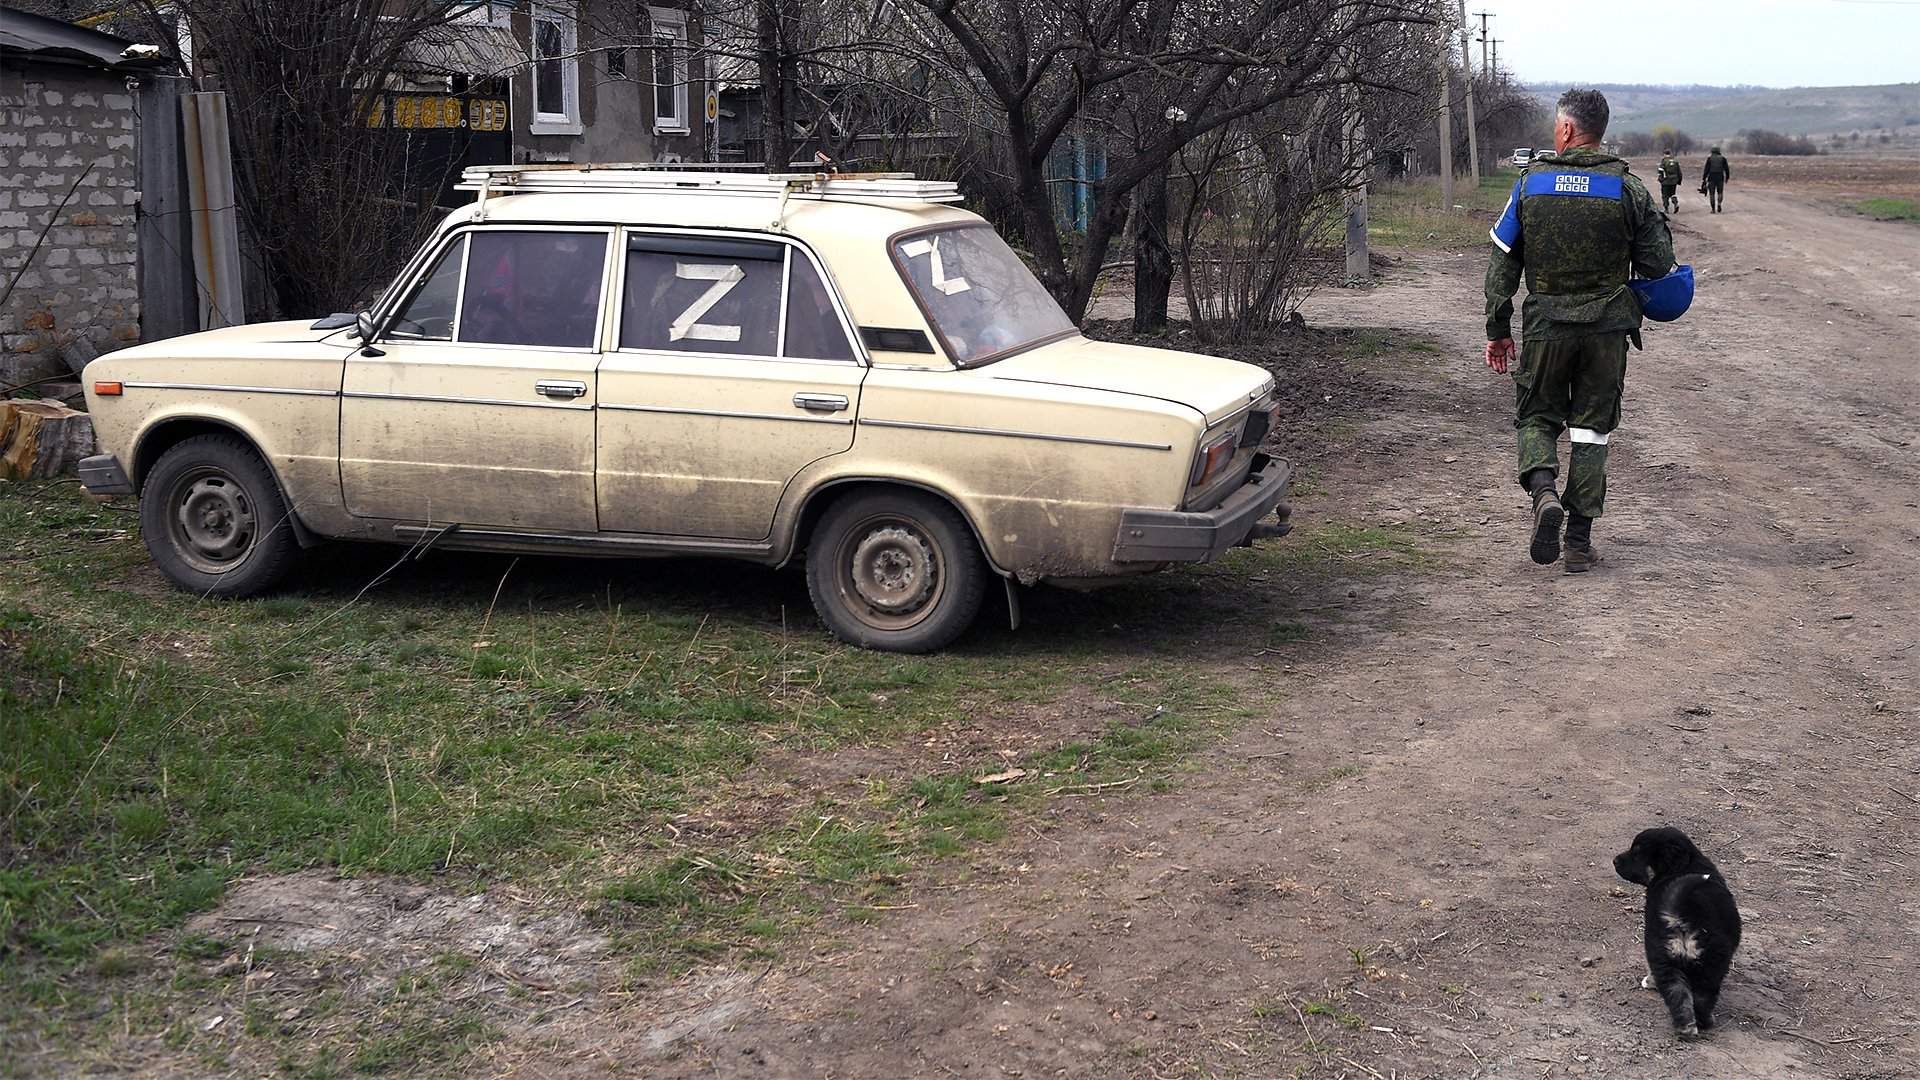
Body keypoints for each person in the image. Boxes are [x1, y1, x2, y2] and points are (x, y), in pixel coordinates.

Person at [1483, 88, 1676, 573]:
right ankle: (1577, 542)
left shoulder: (1530, 184)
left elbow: (1502, 263)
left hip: (1546, 326)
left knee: (1536, 418)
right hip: (1607, 331)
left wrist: (1498, 327)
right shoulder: (1628, 188)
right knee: (1591, 431)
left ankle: (1544, 494)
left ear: (1567, 129)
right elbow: (1658, 265)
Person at [1703, 146, 1731, 213]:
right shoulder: (1723, 158)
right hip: (1720, 177)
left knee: (1712, 194)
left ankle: (1713, 209)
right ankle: (1719, 204)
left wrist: (1704, 178)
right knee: (1720, 192)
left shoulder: (1709, 159)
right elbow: (1726, 169)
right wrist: (1727, 177)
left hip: (1711, 177)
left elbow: (1706, 169)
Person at [1656, 148, 1683, 213]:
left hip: (1666, 181)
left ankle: (1666, 209)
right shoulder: (1675, 161)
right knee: (1673, 194)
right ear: (1670, 154)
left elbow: (1660, 171)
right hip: (1674, 181)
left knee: (1665, 195)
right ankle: (1676, 203)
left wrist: (1660, 180)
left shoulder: (1663, 161)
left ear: (1664, 154)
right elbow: (1679, 172)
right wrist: (1679, 181)